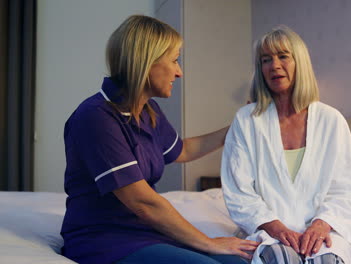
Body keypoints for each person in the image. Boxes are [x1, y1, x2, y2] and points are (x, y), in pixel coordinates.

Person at [60, 15, 258, 264]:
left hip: (147, 232)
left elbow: (183, 150)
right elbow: (143, 202)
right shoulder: (96, 117)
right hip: (106, 239)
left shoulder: (146, 110)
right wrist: (208, 243)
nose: (179, 72)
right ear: (146, 62)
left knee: (239, 262)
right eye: (175, 61)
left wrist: (239, 126)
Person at [221, 26, 351, 264]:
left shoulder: (331, 120)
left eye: (283, 56)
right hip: (268, 229)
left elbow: (347, 189)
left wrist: (320, 225)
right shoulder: (246, 120)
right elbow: (239, 192)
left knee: (326, 260)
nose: (274, 65)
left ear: (300, 63)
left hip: (322, 230)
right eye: (266, 60)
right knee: (281, 258)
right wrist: (278, 229)